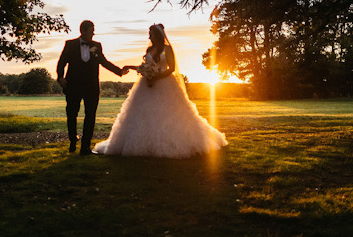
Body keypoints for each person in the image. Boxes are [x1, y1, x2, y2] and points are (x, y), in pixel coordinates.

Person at [95, 23, 228, 158]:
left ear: (157, 35)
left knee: (169, 114)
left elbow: (171, 68)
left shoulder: (167, 49)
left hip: (165, 84)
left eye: (151, 34)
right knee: (142, 114)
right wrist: (132, 67)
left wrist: (157, 76)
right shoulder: (149, 50)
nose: (149, 37)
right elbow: (145, 66)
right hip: (146, 86)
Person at [57, 20, 127, 155]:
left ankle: (85, 147)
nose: (93, 33)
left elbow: (104, 62)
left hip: (91, 86)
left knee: (90, 116)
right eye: (91, 30)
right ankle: (73, 139)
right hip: (73, 85)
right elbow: (62, 62)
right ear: (83, 31)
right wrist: (60, 77)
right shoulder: (70, 45)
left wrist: (119, 71)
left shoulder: (97, 45)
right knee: (71, 114)